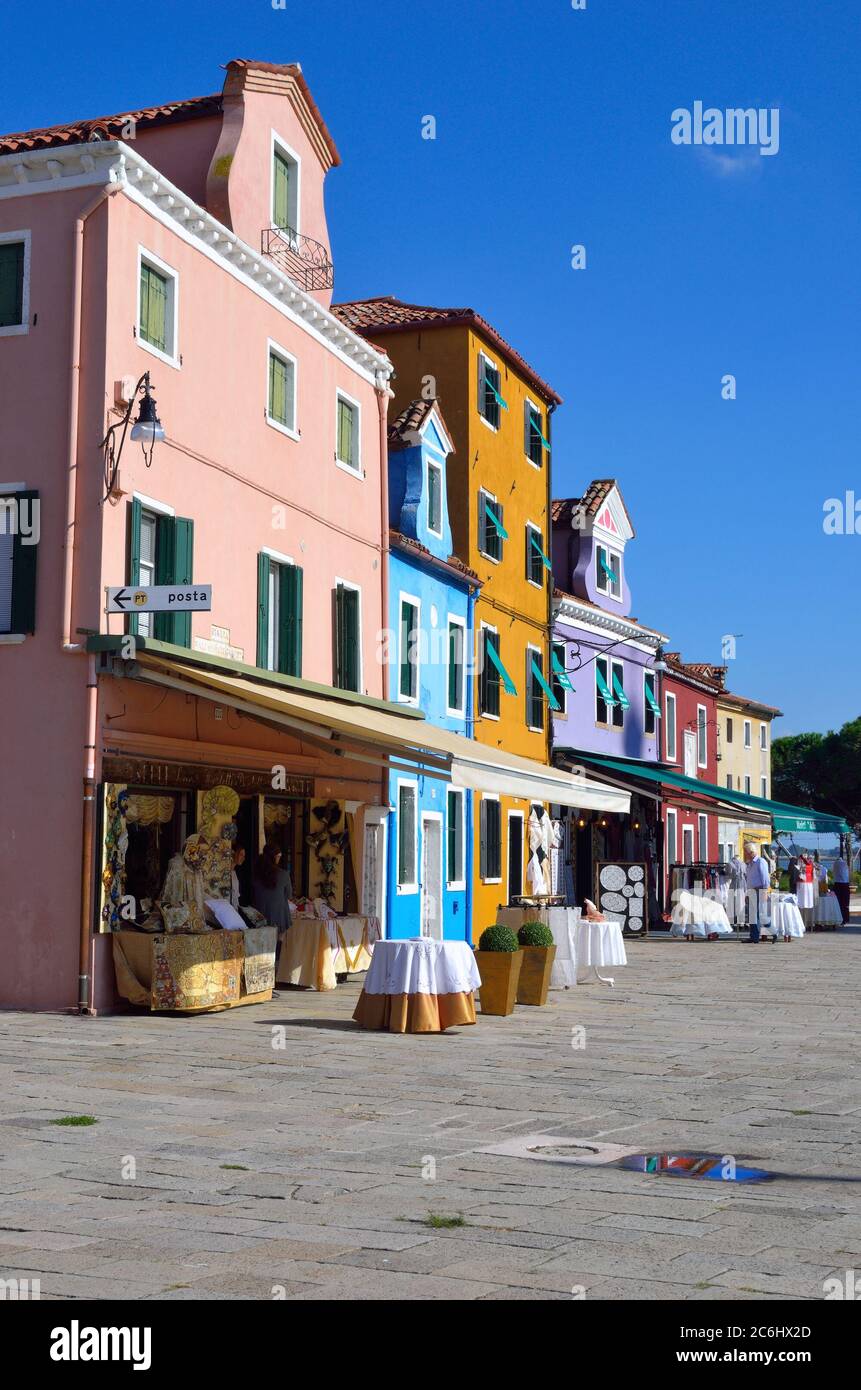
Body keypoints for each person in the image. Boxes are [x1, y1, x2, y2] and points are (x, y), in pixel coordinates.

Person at [252, 844, 294, 931]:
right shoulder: (284, 874)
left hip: (260, 915)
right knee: (279, 940)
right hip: (279, 916)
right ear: (274, 857)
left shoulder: (256, 874)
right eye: (279, 856)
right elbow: (289, 895)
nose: (279, 858)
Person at [743, 842, 770, 942]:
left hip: (759, 889)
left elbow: (765, 878)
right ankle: (753, 936)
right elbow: (749, 880)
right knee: (752, 915)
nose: (744, 854)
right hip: (751, 891)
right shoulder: (749, 864)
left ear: (751, 852)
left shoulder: (760, 861)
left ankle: (759, 935)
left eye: (745, 852)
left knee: (757, 914)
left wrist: (765, 891)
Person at [796, 852, 816, 932]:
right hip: (805, 885)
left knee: (805, 905)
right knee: (803, 905)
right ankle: (805, 924)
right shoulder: (808, 864)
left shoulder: (808, 864)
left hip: (805, 885)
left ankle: (807, 924)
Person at [832, 852, 851, 924]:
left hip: (837, 884)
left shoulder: (835, 864)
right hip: (845, 884)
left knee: (838, 903)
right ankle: (845, 918)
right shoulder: (844, 863)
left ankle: (840, 918)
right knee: (845, 903)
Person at [230, 846, 246, 911]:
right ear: (234, 853)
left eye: (244, 856)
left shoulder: (234, 873)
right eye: (241, 854)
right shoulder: (228, 872)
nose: (243, 858)